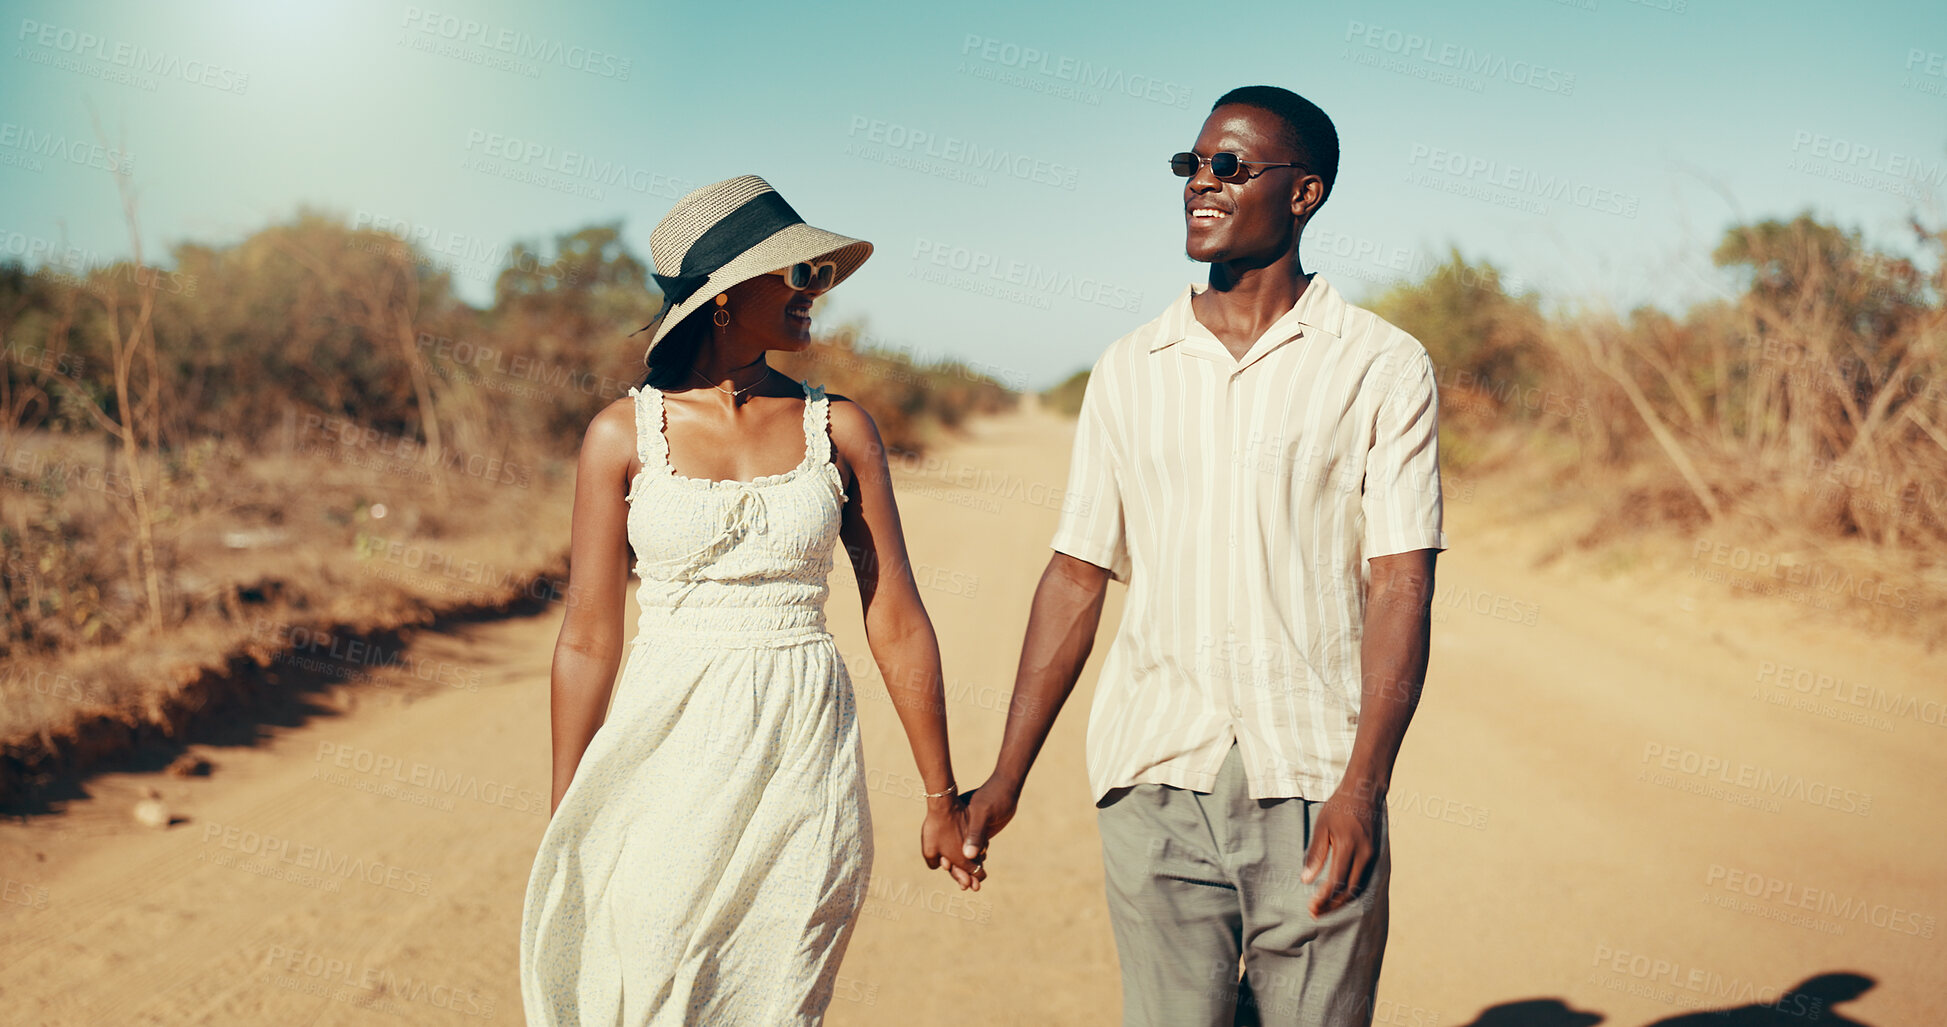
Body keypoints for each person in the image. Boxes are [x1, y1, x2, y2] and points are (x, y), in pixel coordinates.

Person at [962, 86, 1448, 1025]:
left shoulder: (1380, 365)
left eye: (1229, 166)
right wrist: (1006, 778)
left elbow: (1400, 583)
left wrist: (1362, 789)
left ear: (1303, 193)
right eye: (1191, 165)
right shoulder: (1129, 366)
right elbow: (1076, 573)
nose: (1201, 185)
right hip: (1152, 775)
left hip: (1312, 779)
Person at [519, 174, 983, 1026]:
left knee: (779, 982)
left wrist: (939, 795)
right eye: (800, 275)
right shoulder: (620, 437)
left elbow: (896, 614)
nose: (820, 293)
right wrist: (567, 815)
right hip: (662, 737)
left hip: (802, 736)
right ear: (726, 298)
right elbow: (587, 636)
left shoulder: (839, 428)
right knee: (648, 967)